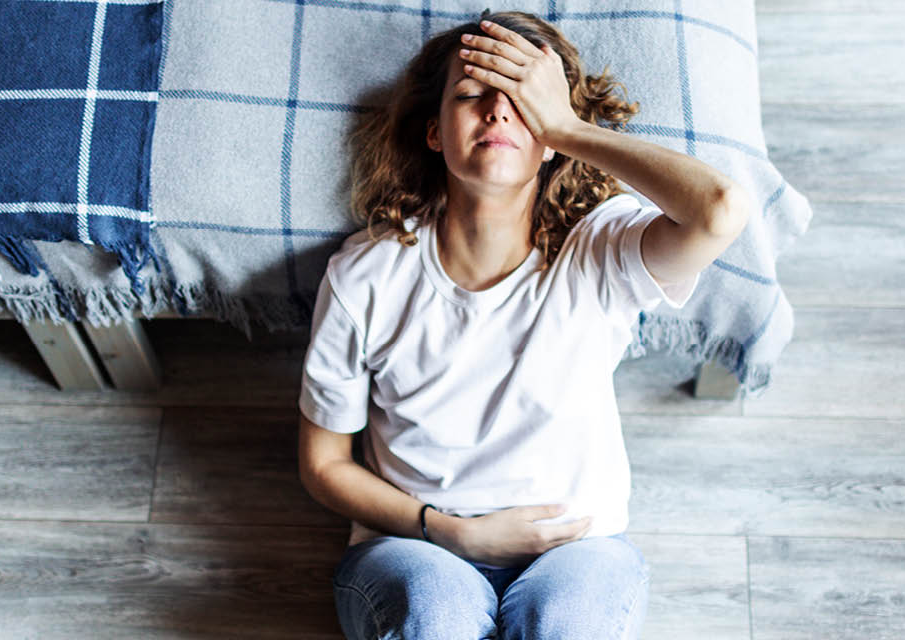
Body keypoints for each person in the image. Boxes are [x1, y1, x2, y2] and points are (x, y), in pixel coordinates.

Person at [297, 9, 750, 639]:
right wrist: (448, 529)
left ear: (550, 138)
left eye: (523, 102)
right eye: (473, 94)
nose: (498, 112)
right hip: (416, 546)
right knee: (436, 617)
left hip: (577, 554)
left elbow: (720, 212)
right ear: (434, 132)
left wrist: (565, 125)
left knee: (564, 624)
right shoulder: (365, 277)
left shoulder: (601, 251)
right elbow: (323, 464)